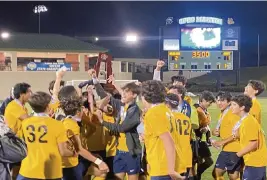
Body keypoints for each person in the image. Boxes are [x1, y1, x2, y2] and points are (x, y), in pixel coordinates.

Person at [17, 91, 75, 180]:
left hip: (28, 170)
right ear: (48, 106)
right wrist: (74, 152)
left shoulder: (25, 123)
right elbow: (63, 152)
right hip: (51, 172)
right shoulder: (57, 124)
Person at [58, 86, 109, 180]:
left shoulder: (71, 118)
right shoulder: (70, 123)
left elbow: (92, 128)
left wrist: (84, 139)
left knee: (99, 173)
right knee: (101, 172)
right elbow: (79, 149)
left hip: (73, 160)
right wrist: (98, 162)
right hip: (69, 164)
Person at [94, 82, 142, 180]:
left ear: (134, 95)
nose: (123, 94)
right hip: (119, 151)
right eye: (123, 91)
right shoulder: (121, 106)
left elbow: (122, 128)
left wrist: (102, 121)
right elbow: (105, 96)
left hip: (131, 152)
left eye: (127, 92)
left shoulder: (135, 111)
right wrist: (95, 80)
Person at [141, 80, 185, 180]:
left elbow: (168, 140)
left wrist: (170, 170)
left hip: (163, 168)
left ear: (144, 96)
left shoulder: (154, 113)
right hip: (165, 165)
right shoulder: (166, 110)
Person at [217, 94, 267, 180]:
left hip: (255, 162)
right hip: (254, 162)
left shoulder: (248, 121)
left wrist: (237, 155)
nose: (231, 107)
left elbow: (254, 143)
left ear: (242, 107)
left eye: (234, 105)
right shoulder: (245, 120)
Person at [211, 91, 242, 180]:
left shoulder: (232, 114)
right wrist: (215, 132)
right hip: (229, 149)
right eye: (217, 100)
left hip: (233, 149)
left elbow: (239, 132)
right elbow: (227, 130)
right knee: (232, 176)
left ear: (229, 102)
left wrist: (221, 142)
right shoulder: (223, 113)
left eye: (222, 100)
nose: (219, 103)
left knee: (217, 173)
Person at [4, 83, 31, 179]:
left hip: (19, 142)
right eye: (29, 92)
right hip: (13, 143)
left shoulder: (22, 107)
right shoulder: (13, 106)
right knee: (15, 168)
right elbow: (28, 119)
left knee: (18, 167)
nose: (31, 94)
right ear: (21, 94)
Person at [165, 93, 192, 179]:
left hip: (175, 157)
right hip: (186, 156)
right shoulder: (186, 118)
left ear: (168, 105)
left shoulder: (168, 118)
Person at [193, 91, 215, 180]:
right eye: (208, 101)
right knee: (195, 162)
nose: (210, 103)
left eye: (211, 102)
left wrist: (208, 136)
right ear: (202, 100)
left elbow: (206, 126)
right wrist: (200, 130)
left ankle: (197, 176)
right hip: (194, 140)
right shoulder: (196, 110)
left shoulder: (203, 110)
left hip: (200, 140)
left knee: (206, 161)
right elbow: (192, 125)